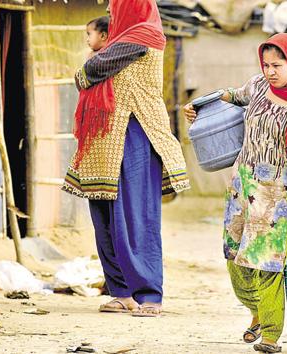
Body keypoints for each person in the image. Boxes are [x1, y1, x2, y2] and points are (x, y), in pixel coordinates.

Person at [184, 33, 287, 353]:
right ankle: (255, 312)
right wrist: (199, 106)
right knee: (234, 256)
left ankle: (270, 334)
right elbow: (233, 95)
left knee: (266, 263)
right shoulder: (257, 86)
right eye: (266, 64)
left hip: (278, 195)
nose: (270, 71)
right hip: (243, 185)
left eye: (277, 65)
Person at [62, 0, 190, 317]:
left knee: (135, 216)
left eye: (114, 6)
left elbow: (92, 70)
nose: (109, 11)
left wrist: (83, 72)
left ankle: (149, 295)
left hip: (136, 133)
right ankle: (121, 292)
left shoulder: (142, 34)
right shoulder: (125, 37)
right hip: (104, 141)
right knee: (104, 217)